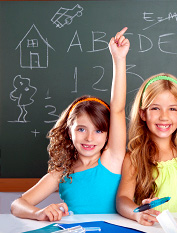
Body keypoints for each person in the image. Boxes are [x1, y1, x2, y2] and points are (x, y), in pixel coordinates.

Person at [10, 27, 129, 221]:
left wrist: (119, 59)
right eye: (81, 129)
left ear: (108, 135)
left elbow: (117, 109)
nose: (89, 138)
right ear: (69, 131)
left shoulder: (112, 160)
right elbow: (17, 205)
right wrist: (39, 213)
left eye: (99, 130)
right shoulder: (61, 173)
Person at [116, 25, 177, 226]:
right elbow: (122, 200)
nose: (164, 117)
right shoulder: (135, 157)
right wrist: (137, 212)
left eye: (172, 109)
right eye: (155, 108)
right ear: (142, 113)